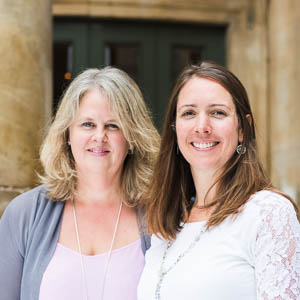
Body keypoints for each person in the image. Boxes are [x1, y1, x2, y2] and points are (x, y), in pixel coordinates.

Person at [137, 61, 300, 300]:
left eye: (218, 113)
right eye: (189, 113)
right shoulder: (166, 224)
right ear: (175, 128)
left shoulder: (268, 214)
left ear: (243, 128)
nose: (202, 127)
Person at [0, 66, 160, 300]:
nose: (99, 136)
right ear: (67, 134)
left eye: (113, 126)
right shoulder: (25, 214)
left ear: (132, 137)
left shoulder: (160, 215)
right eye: (87, 124)